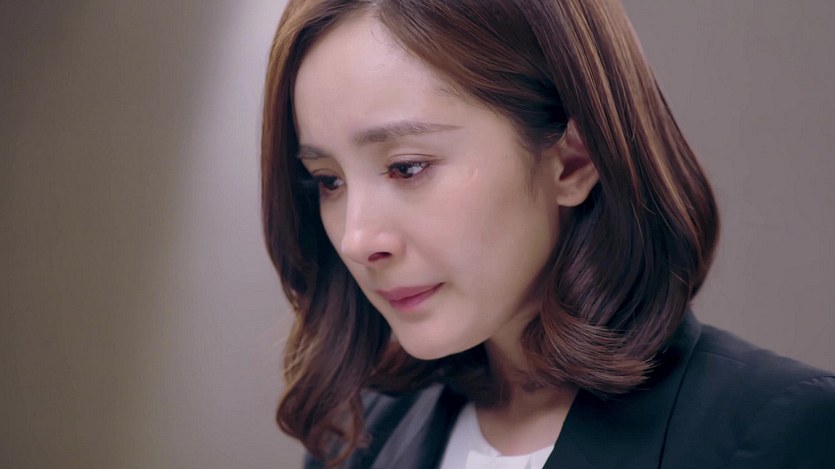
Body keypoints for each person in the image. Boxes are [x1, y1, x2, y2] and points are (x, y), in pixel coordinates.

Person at [260, 1, 835, 467]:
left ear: (573, 161)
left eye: (407, 167)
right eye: (328, 181)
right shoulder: (356, 441)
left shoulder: (783, 435)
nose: (358, 240)